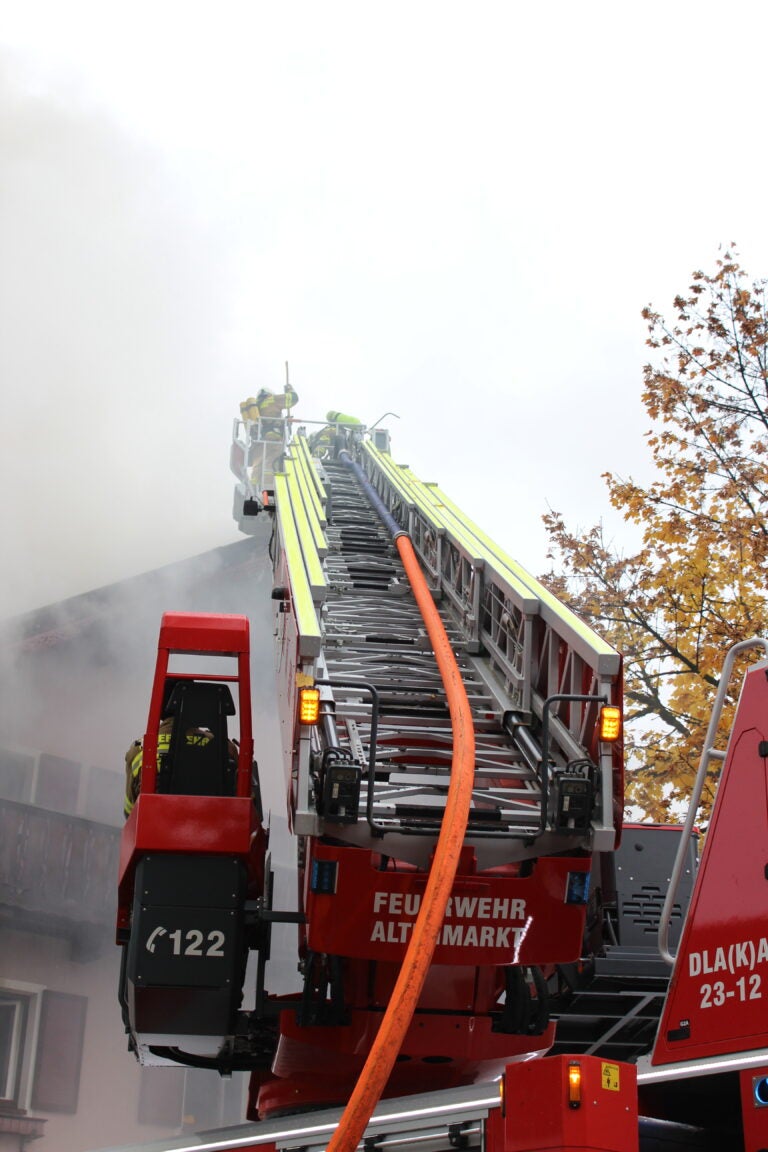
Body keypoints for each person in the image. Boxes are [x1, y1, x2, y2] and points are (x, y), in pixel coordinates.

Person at [124, 716, 238, 818]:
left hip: (154, 830)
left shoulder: (138, 750)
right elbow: (244, 805)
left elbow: (129, 812)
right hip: (213, 831)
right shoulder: (226, 748)